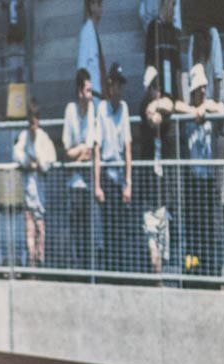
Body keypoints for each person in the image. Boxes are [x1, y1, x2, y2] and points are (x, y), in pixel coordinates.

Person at [136, 64, 180, 276]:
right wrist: (155, 110)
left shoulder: (160, 105)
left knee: (163, 248)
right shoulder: (142, 108)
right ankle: (156, 282)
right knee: (152, 245)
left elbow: (170, 104)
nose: (159, 89)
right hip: (148, 189)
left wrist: (159, 107)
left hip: (162, 191)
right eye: (155, 86)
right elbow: (151, 118)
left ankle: (159, 281)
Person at [182, 63, 224, 278]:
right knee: (194, 228)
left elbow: (222, 109)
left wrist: (205, 108)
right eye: (199, 88)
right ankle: (193, 274)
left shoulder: (209, 107)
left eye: (204, 87)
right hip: (193, 179)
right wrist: (194, 111)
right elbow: (175, 106)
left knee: (209, 229)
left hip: (207, 179)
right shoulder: (188, 110)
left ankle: (210, 272)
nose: (203, 90)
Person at [94, 63, 132, 273]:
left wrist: (128, 183)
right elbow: (97, 148)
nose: (118, 90)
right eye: (116, 85)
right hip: (107, 176)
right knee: (107, 230)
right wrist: (97, 184)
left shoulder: (124, 108)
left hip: (119, 179)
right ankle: (109, 273)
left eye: (121, 85)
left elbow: (127, 147)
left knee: (121, 231)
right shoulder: (102, 109)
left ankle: (120, 273)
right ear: (110, 86)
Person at [62, 67, 99, 271]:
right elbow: (67, 151)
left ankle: (87, 271)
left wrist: (83, 151)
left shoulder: (92, 110)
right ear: (79, 92)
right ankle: (76, 270)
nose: (91, 95)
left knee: (88, 231)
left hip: (88, 184)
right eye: (87, 91)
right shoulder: (70, 110)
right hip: (74, 183)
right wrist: (82, 151)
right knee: (75, 230)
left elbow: (92, 149)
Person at [14, 99, 57, 269]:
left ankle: (41, 262)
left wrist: (38, 162)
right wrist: (27, 162)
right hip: (28, 193)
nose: (33, 122)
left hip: (40, 194)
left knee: (41, 230)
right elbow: (16, 154)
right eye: (31, 118)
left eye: (36, 118)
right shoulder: (23, 136)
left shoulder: (43, 137)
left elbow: (50, 159)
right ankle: (31, 263)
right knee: (29, 230)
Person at [145, 0, 180, 105]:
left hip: (172, 95)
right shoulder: (153, 28)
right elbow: (149, 65)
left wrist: (180, 98)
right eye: (173, 5)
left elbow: (178, 69)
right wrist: (152, 92)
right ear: (166, 2)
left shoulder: (174, 32)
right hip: (158, 96)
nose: (174, 10)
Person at [77, 0, 107, 98]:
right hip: (91, 95)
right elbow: (81, 68)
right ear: (91, 6)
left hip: (99, 94)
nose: (101, 9)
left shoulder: (93, 31)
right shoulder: (86, 32)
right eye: (99, 4)